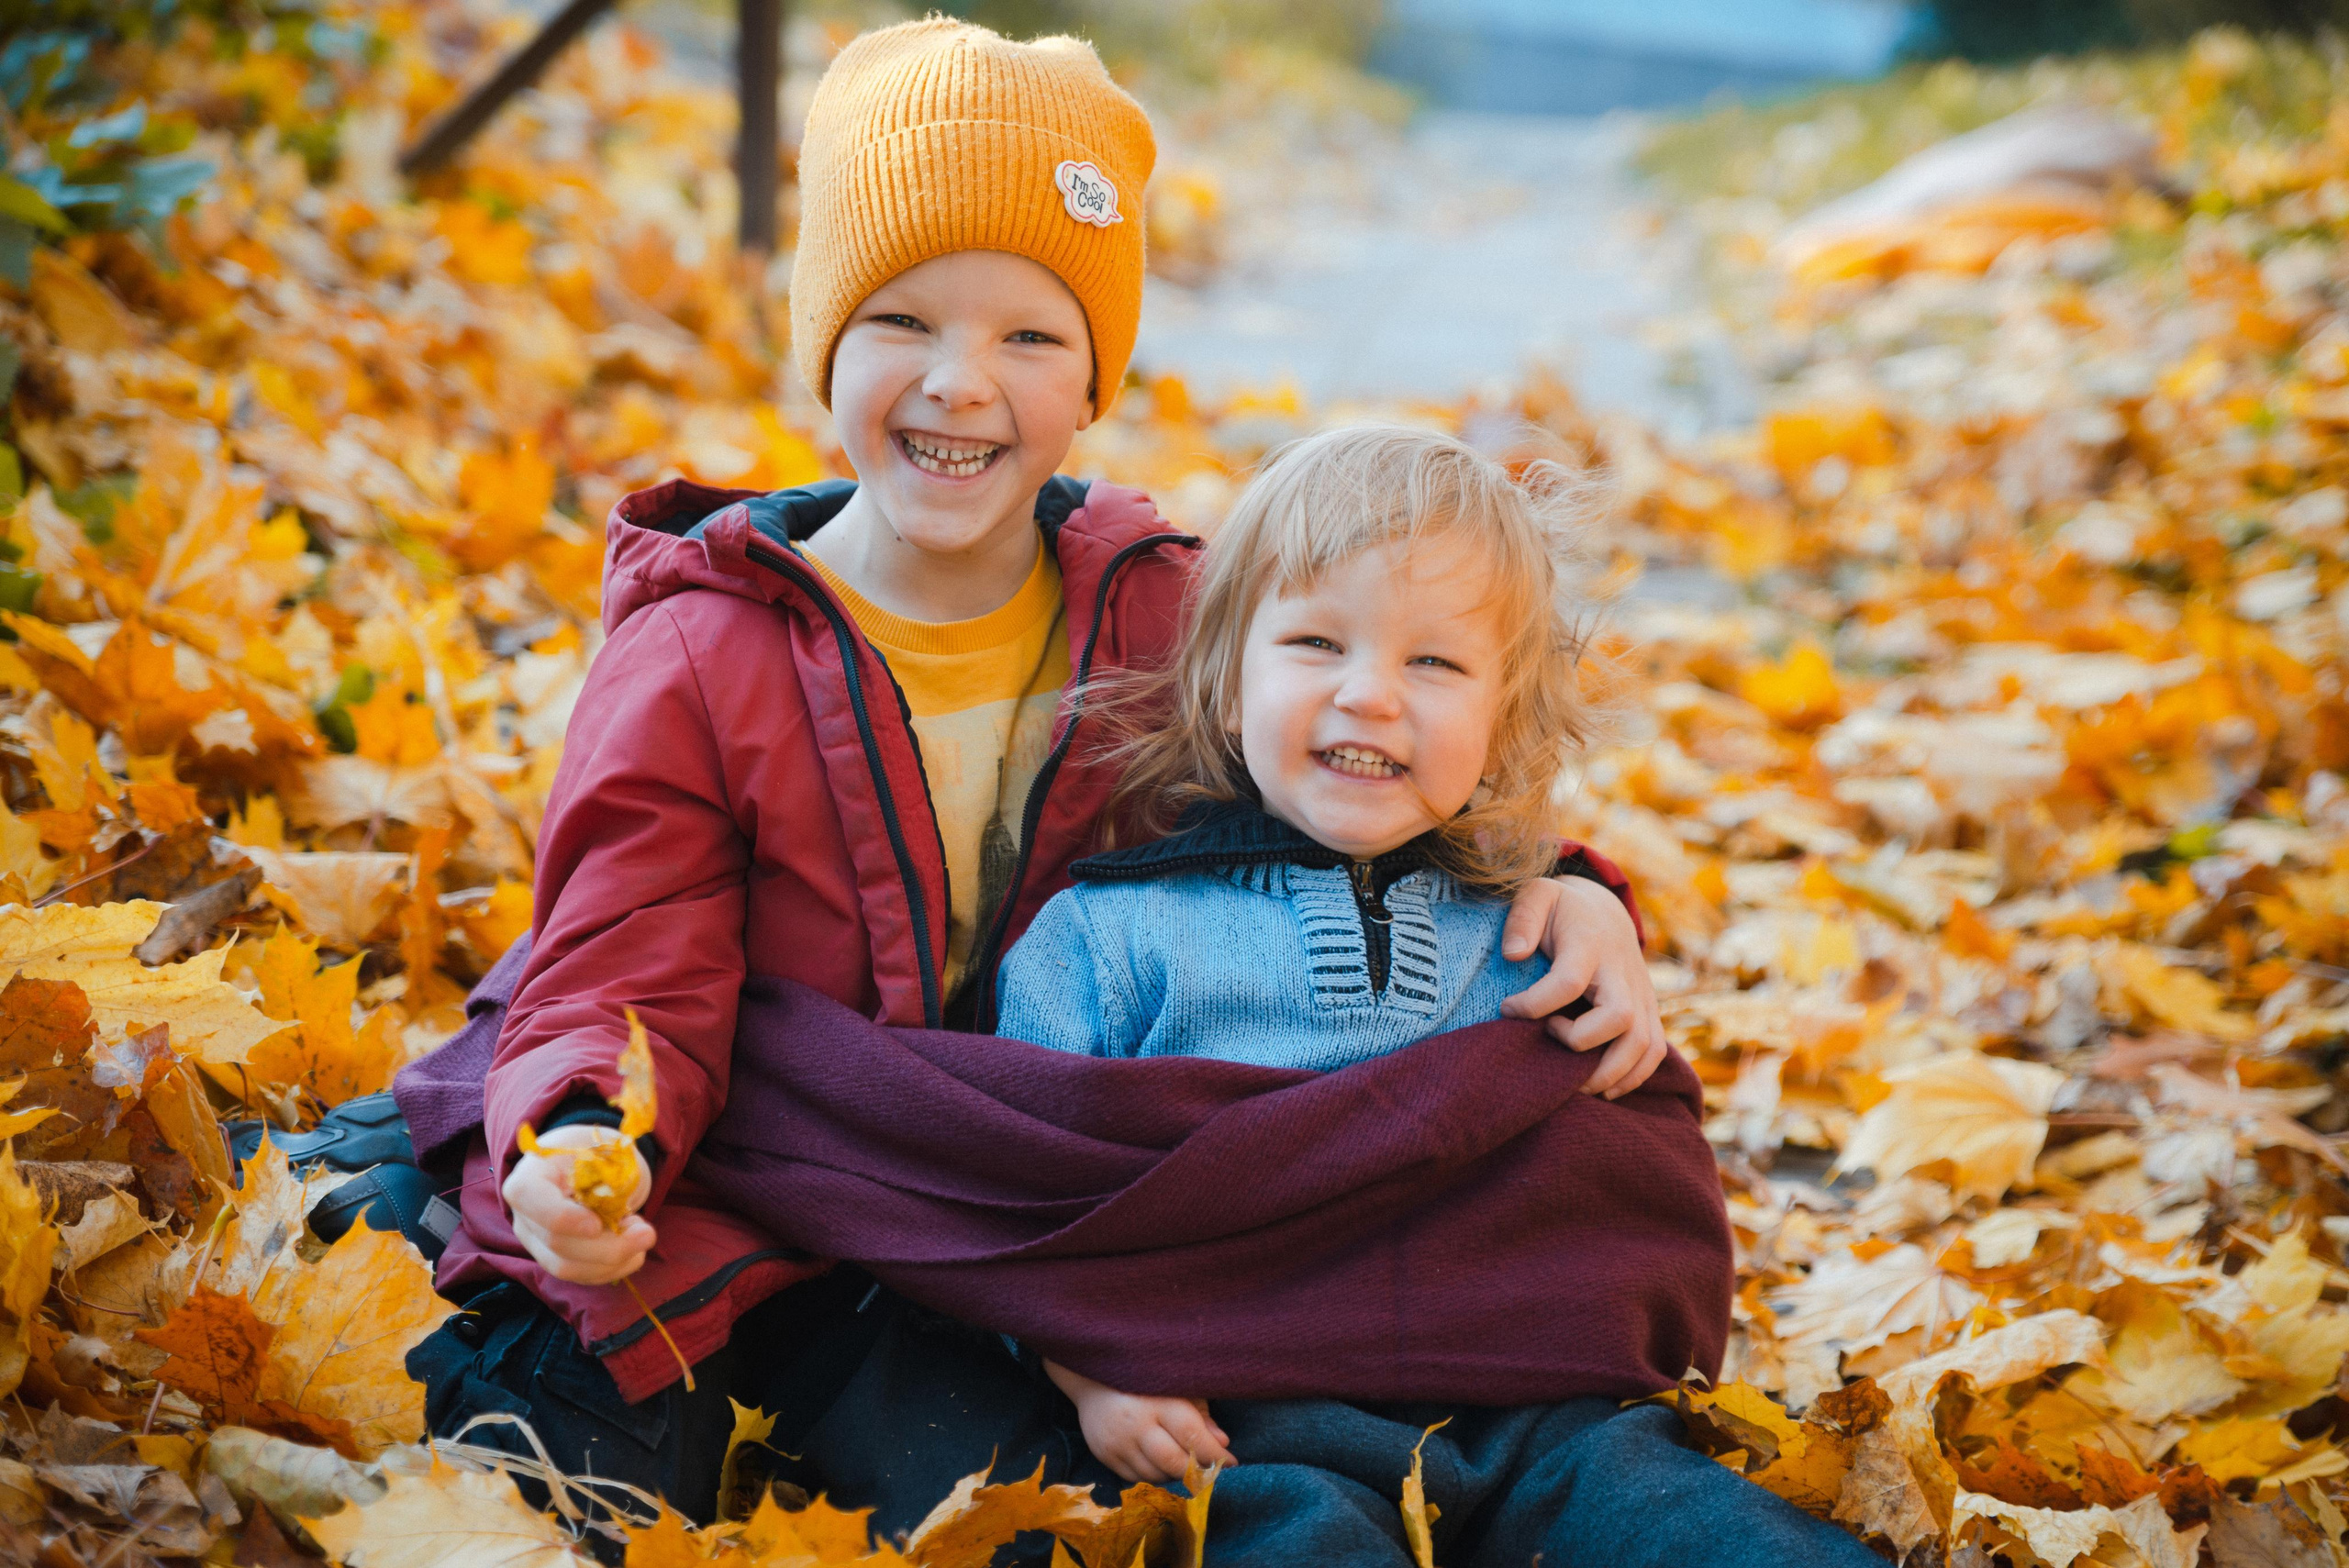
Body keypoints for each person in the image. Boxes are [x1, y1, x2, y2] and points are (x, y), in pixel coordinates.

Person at [401, 17, 1671, 1534]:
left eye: (1028, 335)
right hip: (749, 1170)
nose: (960, 384)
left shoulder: (1162, 608)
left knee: (1108, 1502)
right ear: (825, 342)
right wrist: (584, 1130)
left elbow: (1362, 763)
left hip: (1023, 1212)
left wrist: (1571, 888)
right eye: (903, 321)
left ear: (1092, 381)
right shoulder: (703, 650)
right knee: (559, 1466)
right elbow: (628, 946)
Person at [986, 425, 1887, 1567]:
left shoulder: (1536, 930)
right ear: (1225, 685)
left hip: (1538, 1410)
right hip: (1258, 1421)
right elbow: (1024, 1203)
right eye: (1316, 642)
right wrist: (1091, 1365)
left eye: (1434, 663)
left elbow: (1619, 1165)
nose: (1369, 696)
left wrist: (1591, 916)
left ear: (1502, 720)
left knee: (1695, 1524)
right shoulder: (1109, 942)